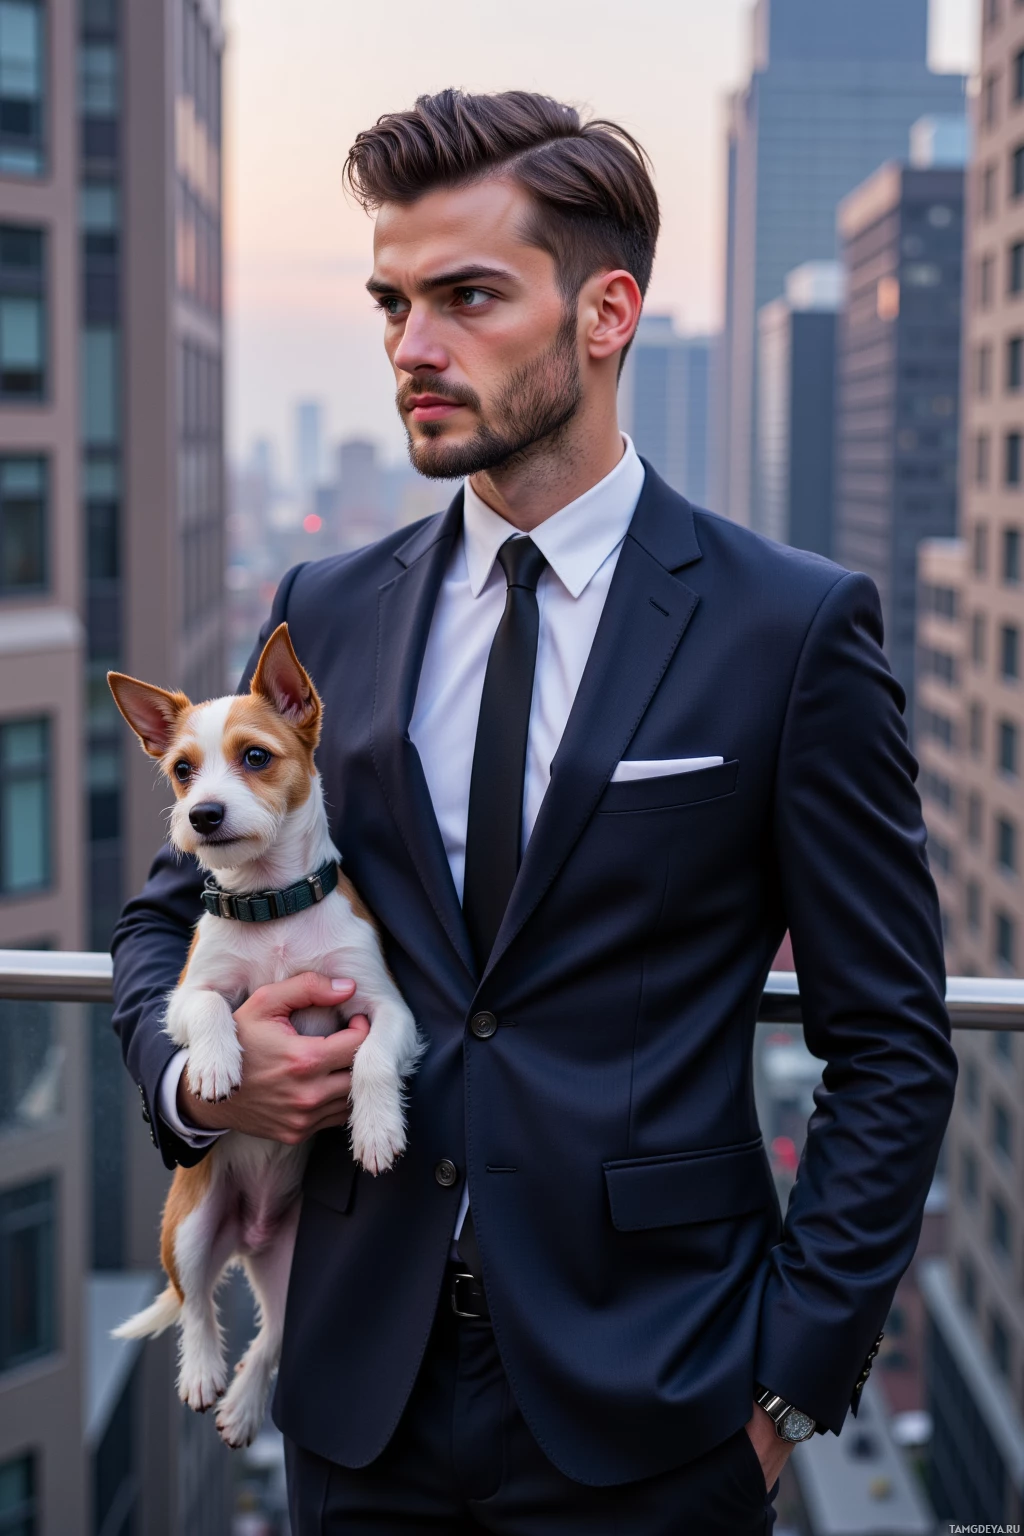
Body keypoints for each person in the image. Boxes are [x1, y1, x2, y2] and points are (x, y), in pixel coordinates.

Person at [111, 89, 956, 1534]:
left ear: (607, 312)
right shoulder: (328, 611)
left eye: (466, 297)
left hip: (658, 1406)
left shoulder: (789, 629)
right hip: (355, 1399)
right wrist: (204, 1085)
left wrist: (788, 1395)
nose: (411, 347)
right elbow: (161, 919)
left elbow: (890, 1042)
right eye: (392, 303)